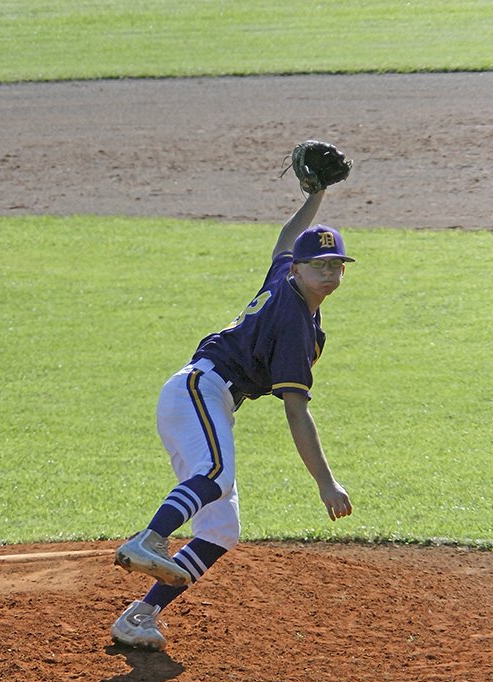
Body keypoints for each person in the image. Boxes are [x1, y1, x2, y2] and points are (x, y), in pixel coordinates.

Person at [111, 181, 354, 650]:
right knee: (215, 473)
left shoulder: (284, 277)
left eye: (336, 265)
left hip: (203, 397)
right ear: (300, 270)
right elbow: (297, 413)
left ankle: (140, 616)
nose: (328, 272)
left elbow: (286, 238)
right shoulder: (294, 324)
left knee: (222, 529)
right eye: (319, 265)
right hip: (199, 391)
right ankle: (150, 538)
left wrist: (316, 195)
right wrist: (326, 482)